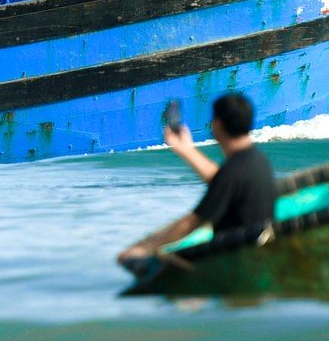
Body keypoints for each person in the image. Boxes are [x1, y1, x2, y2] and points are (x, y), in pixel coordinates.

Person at [116, 92, 279, 269]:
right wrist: (185, 149)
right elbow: (221, 181)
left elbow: (192, 222)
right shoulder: (257, 160)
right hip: (257, 255)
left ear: (217, 125)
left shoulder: (234, 171)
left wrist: (144, 247)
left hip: (234, 262)